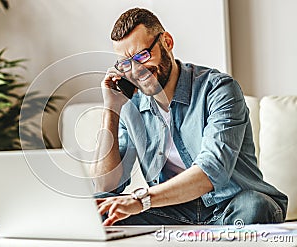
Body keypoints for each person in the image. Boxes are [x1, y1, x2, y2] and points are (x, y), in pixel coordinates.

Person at [91, 7, 288, 227]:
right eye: (126, 64)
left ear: (167, 41)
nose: (137, 70)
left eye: (142, 55)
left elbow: (211, 170)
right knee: (97, 210)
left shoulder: (219, 89)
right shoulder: (131, 105)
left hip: (231, 204)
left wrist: (142, 200)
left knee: (255, 206)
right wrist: (111, 108)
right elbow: (104, 185)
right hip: (174, 212)